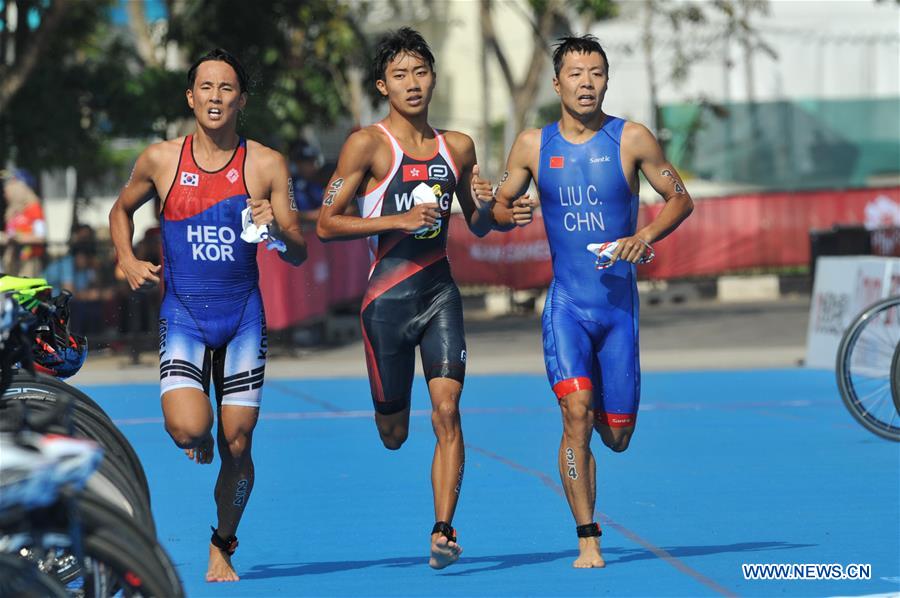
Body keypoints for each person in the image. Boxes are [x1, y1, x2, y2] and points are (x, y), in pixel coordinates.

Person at [316, 27, 516, 569]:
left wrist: (499, 210)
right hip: (386, 304)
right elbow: (328, 225)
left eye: (421, 72)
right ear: (384, 85)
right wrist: (397, 220)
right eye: (400, 75)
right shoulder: (368, 145)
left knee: (447, 411)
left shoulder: (460, 147)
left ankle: (443, 531)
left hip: (440, 294)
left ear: (433, 78)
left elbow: (477, 223)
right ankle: (389, 411)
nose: (413, 83)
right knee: (394, 433)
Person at [493, 35, 693, 568]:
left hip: (618, 312)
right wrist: (500, 208)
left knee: (618, 436)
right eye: (576, 74)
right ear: (557, 84)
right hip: (568, 309)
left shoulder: (631, 139)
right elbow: (499, 204)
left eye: (597, 73)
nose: (587, 82)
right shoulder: (533, 145)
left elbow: (680, 198)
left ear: (607, 80)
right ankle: (588, 537)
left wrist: (645, 237)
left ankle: (607, 417)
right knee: (575, 413)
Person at [108, 48, 307, 583]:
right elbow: (120, 209)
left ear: (241, 98)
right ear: (190, 97)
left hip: (242, 317)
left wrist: (276, 230)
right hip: (186, 316)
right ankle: (196, 440)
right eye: (207, 88)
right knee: (188, 429)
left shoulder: (265, 164)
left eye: (227, 88)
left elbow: (298, 250)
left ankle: (223, 543)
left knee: (238, 442)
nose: (216, 97)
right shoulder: (161, 159)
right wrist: (126, 258)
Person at [2, 169, 47, 277]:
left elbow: (40, 236)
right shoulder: (12, 212)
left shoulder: (34, 208)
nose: (6, 193)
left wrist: (17, 237)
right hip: (13, 260)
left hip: (29, 261)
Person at [288, 139, 325, 224]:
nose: (312, 166)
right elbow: (289, 214)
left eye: (312, 161)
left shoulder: (317, 183)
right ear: (297, 164)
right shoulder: (290, 185)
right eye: (307, 163)